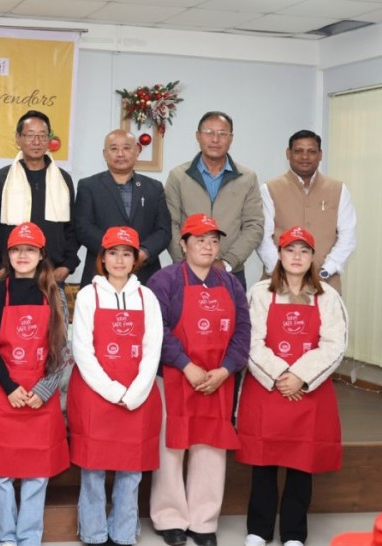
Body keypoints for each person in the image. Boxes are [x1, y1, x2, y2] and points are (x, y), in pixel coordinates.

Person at [237, 226, 347, 546]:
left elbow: (334, 344)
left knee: (303, 462)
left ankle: (294, 533)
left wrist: (301, 376)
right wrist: (280, 375)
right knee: (263, 461)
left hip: (309, 391)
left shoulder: (328, 297)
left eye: (303, 251)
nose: (296, 257)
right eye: (289, 250)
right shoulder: (259, 293)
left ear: (313, 257)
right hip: (267, 388)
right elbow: (251, 341)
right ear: (279, 255)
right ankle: (258, 529)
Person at [147, 214, 251, 546]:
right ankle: (170, 518)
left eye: (213, 240)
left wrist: (226, 369)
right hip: (175, 378)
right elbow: (156, 328)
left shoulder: (231, 283)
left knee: (211, 448)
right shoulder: (164, 281)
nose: (207, 246)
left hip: (218, 380)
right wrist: (186, 365)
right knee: (171, 448)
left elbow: (243, 333)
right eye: (199, 240)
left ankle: (204, 520)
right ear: (183, 244)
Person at [69, 226, 164, 546]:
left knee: (131, 469)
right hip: (95, 394)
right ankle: (94, 534)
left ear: (136, 259)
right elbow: (82, 349)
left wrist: (135, 392)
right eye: (113, 253)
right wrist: (112, 390)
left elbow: (153, 348)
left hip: (137, 394)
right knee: (93, 469)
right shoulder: (87, 295)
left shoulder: (146, 296)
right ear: (102, 258)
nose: (120, 260)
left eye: (127, 253)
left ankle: (123, 534)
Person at [0, 222, 70, 546]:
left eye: (29, 250)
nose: (22, 255)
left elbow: (62, 348)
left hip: (40, 395)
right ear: (8, 254)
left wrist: (44, 390)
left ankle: (30, 538)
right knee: (2, 474)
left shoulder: (54, 292)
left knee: (36, 473)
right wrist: (10, 387)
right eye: (17, 249)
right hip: (6, 393)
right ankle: (5, 537)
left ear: (41, 254)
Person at [164, 111, 263, 289]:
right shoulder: (178, 176)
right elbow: (171, 223)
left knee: (232, 317)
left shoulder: (247, 178)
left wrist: (227, 262)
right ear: (198, 136)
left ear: (231, 138)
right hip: (185, 271)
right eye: (209, 132)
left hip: (231, 272)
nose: (215, 139)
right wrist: (188, 261)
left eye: (222, 134)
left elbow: (253, 226)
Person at [0, 110, 80, 286]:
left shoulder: (63, 179)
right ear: (18, 138)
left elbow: (72, 228)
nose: (36, 142)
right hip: (9, 273)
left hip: (52, 273)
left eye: (42, 136)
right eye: (30, 135)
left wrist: (67, 265)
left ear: (49, 140)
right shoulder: (3, 178)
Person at [256, 130, 356, 294]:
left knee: (326, 320)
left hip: (326, 283)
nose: (305, 156)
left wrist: (326, 270)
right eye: (298, 151)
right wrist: (281, 272)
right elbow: (262, 237)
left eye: (311, 151)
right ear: (288, 154)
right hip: (279, 283)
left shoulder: (338, 189)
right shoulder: (269, 189)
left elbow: (348, 237)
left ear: (320, 155)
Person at [74, 129, 172, 286]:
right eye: (114, 149)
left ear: (137, 151)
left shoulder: (153, 187)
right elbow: (83, 228)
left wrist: (142, 253)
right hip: (101, 272)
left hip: (145, 273)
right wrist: (115, 254)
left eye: (127, 148)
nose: (120, 154)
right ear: (105, 153)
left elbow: (164, 230)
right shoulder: (88, 186)